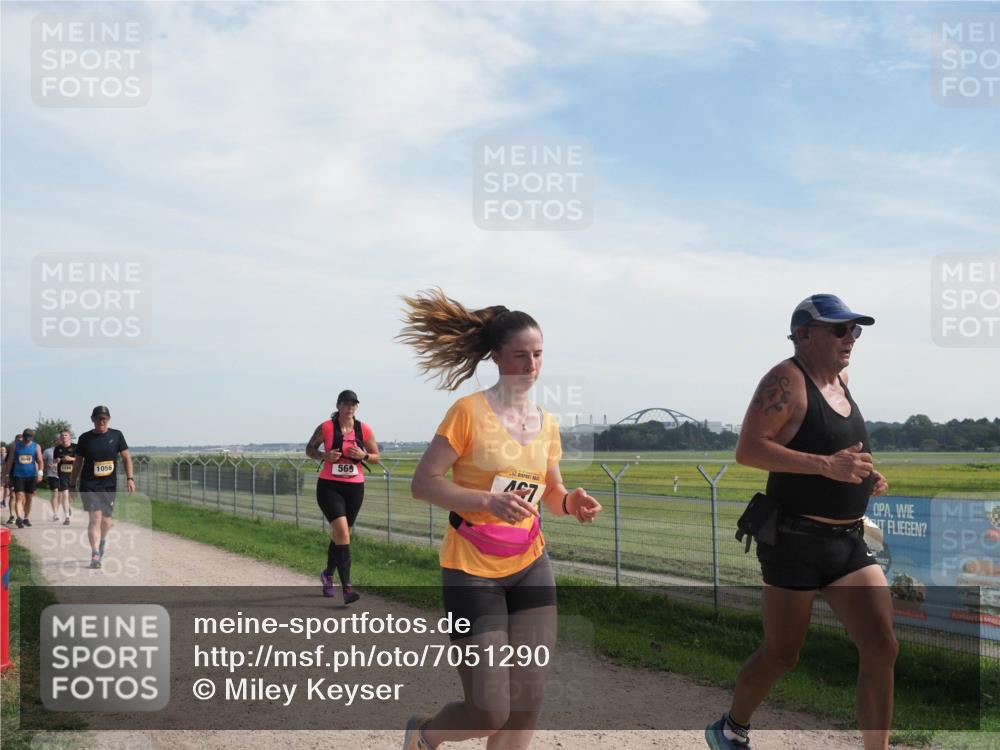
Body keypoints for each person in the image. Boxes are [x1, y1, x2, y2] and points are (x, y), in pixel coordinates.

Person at [398, 289, 602, 750]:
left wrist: (572, 501)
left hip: (530, 562)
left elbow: (550, 491)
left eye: (538, 356)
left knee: (528, 697)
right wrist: (486, 503)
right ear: (496, 357)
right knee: (489, 711)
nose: (531, 367)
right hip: (472, 570)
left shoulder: (546, 423)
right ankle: (424, 734)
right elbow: (423, 483)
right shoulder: (467, 413)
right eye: (520, 356)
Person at [706, 294, 894, 750]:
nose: (850, 338)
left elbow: (838, 448)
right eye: (839, 329)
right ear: (804, 334)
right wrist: (828, 467)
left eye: (854, 330)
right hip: (794, 542)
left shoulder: (842, 381)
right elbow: (749, 450)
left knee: (882, 646)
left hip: (847, 542)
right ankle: (731, 727)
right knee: (782, 654)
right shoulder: (784, 381)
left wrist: (864, 476)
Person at [305, 389, 380, 604]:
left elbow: (376, 457)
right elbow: (309, 449)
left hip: (355, 488)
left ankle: (328, 574)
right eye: (346, 404)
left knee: (340, 535)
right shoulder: (326, 427)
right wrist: (324, 455)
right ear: (338, 406)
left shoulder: (364, 429)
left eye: (353, 404)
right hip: (329, 486)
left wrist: (364, 455)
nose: (350, 407)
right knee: (343, 534)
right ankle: (347, 588)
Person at [70, 406, 135, 569]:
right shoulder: (85, 438)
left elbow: (127, 458)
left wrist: (130, 478)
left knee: (106, 521)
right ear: (92, 419)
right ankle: (95, 554)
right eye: (98, 418)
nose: (101, 421)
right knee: (95, 519)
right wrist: (72, 484)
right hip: (89, 484)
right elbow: (78, 462)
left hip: (109, 485)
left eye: (104, 418)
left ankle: (102, 541)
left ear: (109, 419)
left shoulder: (117, 435)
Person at [6, 428, 42, 528]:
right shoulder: (15, 446)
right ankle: (19, 518)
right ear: (23, 436)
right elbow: (9, 461)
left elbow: (40, 461)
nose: (27, 440)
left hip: (31, 476)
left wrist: (40, 473)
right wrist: (7, 475)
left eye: (29, 438)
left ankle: (26, 518)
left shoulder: (36, 446)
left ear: (32, 438)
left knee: (29, 498)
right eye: (25, 438)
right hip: (18, 475)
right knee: (19, 497)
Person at [53, 430, 77, 525]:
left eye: (66, 435)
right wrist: (57, 460)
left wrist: (71, 459)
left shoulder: (75, 447)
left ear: (69, 437)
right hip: (62, 474)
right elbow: (55, 460)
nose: (64, 437)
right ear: (60, 438)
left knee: (73, 496)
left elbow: (81, 459)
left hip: (74, 475)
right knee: (65, 495)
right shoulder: (57, 448)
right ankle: (67, 517)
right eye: (62, 435)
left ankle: (68, 506)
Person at [2, 434, 21, 524]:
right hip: (13, 475)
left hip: (23, 475)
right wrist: (5, 476)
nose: (18, 443)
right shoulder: (11, 450)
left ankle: (20, 516)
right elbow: (6, 464)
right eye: (17, 441)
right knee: (13, 495)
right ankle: (12, 516)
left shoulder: (26, 450)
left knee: (21, 497)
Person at [43, 440, 60, 521]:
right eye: (58, 440)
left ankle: (59, 509)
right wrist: (47, 465)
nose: (60, 441)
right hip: (52, 474)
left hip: (63, 475)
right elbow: (42, 461)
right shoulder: (48, 451)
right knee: (55, 492)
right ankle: (55, 513)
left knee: (61, 495)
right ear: (55, 441)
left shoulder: (66, 450)